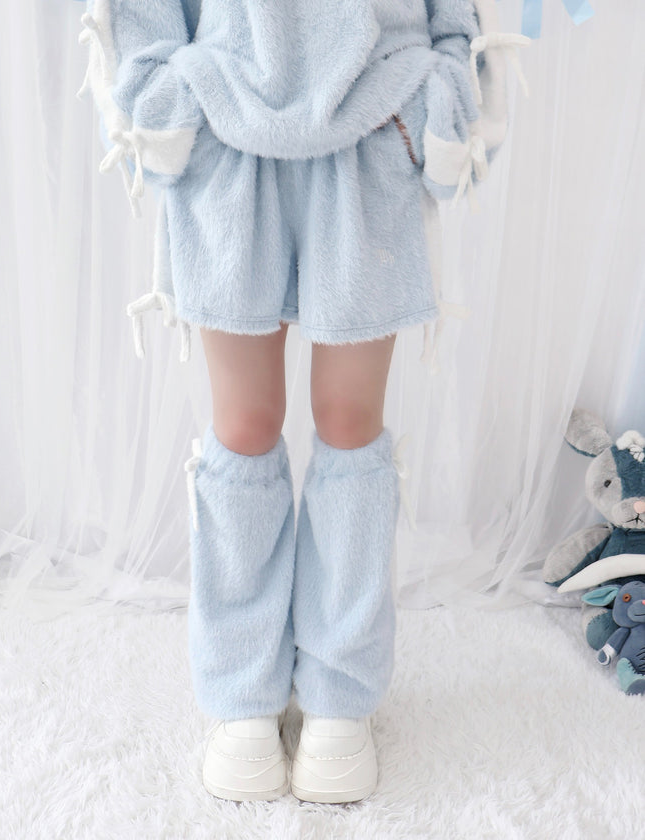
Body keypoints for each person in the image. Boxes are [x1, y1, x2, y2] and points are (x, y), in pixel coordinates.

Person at [77, 0, 529, 804]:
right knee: (243, 427)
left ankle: (340, 694)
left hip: (367, 137)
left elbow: (455, 17)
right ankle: (241, 694)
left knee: (350, 425)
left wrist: (425, 103)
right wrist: (177, 101)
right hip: (228, 141)